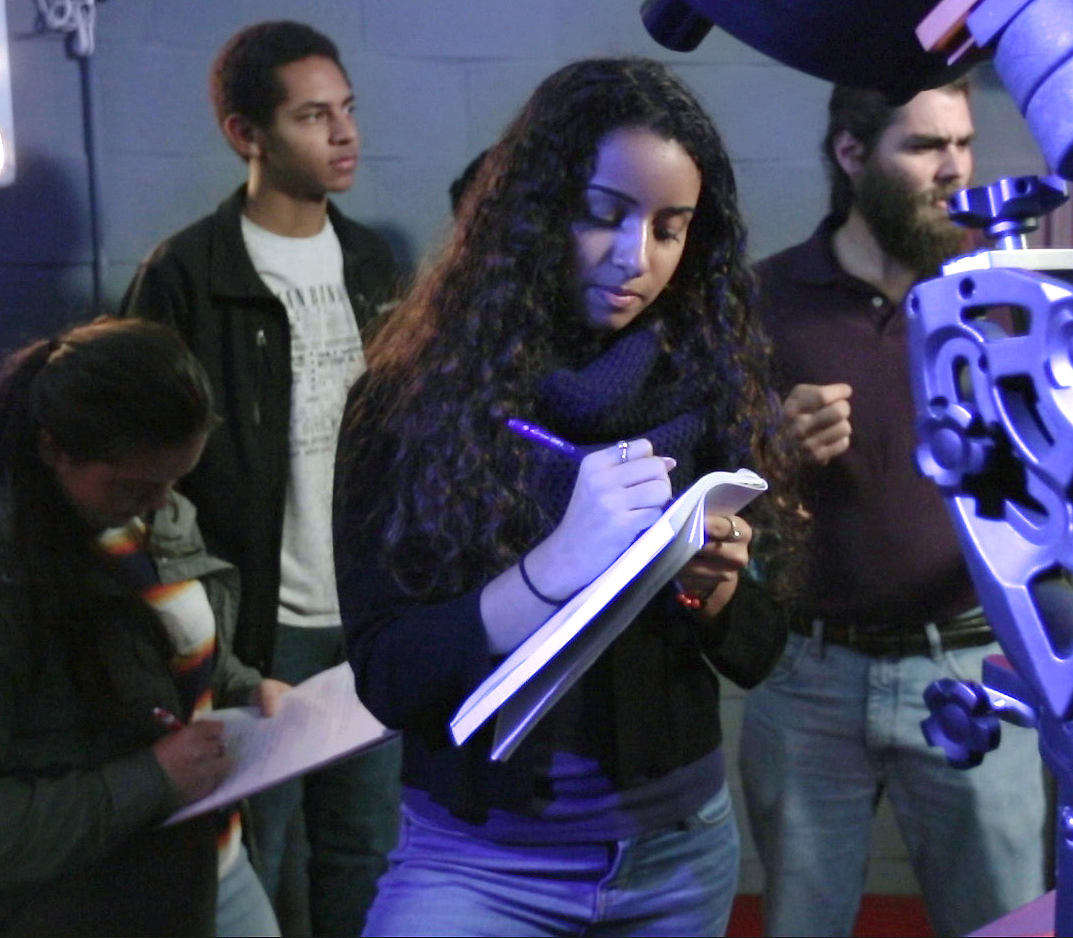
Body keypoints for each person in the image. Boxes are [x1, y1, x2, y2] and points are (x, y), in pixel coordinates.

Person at [333, 56, 803, 937]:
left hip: (676, 853)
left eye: (672, 228)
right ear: (539, 210)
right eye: (604, 215)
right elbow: (390, 674)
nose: (637, 258)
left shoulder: (709, 381)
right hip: (478, 858)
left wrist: (715, 588)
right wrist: (554, 569)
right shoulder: (408, 401)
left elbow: (760, 649)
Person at [738, 78, 1050, 937]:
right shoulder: (766, 299)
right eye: (923, 147)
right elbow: (704, 482)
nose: (954, 169)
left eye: (963, 143)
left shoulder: (1001, 297)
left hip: (975, 667)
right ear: (852, 155)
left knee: (1006, 922)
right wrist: (769, 444)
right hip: (809, 676)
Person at [0, 318, 284, 936]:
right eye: (136, 485)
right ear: (54, 449)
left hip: (208, 872)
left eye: (176, 479)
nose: (163, 502)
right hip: (77, 909)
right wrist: (151, 779)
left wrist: (248, 689)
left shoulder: (143, 508)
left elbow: (166, 651)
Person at [118, 19, 401, 937]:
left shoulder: (371, 263)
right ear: (248, 135)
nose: (345, 133)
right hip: (256, 625)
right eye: (314, 116)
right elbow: (142, 474)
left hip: (365, 615)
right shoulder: (188, 277)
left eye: (347, 110)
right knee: (263, 857)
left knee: (366, 848)